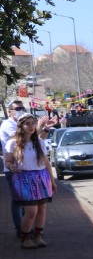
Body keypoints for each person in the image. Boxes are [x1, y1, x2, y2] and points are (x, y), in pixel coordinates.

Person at [3, 113, 57, 248]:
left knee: (42, 209)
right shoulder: (12, 143)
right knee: (31, 212)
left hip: (41, 177)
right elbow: (7, 161)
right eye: (27, 123)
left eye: (33, 123)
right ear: (21, 126)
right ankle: (25, 238)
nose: (31, 126)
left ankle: (38, 237)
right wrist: (11, 166)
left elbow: (46, 162)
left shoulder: (39, 142)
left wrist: (52, 180)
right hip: (24, 178)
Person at [1, 99, 26, 237]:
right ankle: (21, 230)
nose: (20, 110)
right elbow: (19, 138)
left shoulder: (21, 124)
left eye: (22, 108)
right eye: (17, 109)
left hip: (25, 168)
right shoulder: (8, 125)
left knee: (27, 200)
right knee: (18, 200)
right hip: (12, 169)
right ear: (10, 111)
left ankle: (27, 228)